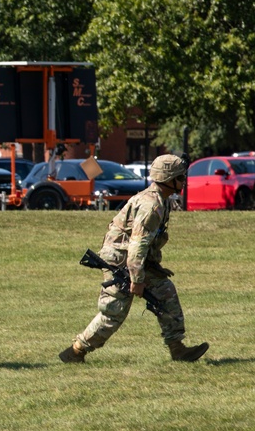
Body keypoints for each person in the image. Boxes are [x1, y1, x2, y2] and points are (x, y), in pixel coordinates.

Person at [59, 154, 209, 364]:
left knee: (166, 293)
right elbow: (137, 246)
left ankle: (177, 349)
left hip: (134, 260)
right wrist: (137, 280)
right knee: (114, 312)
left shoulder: (161, 200)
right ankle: (75, 351)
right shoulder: (151, 206)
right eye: (180, 178)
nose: (184, 181)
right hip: (121, 262)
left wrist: (155, 268)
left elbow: (147, 243)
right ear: (168, 179)